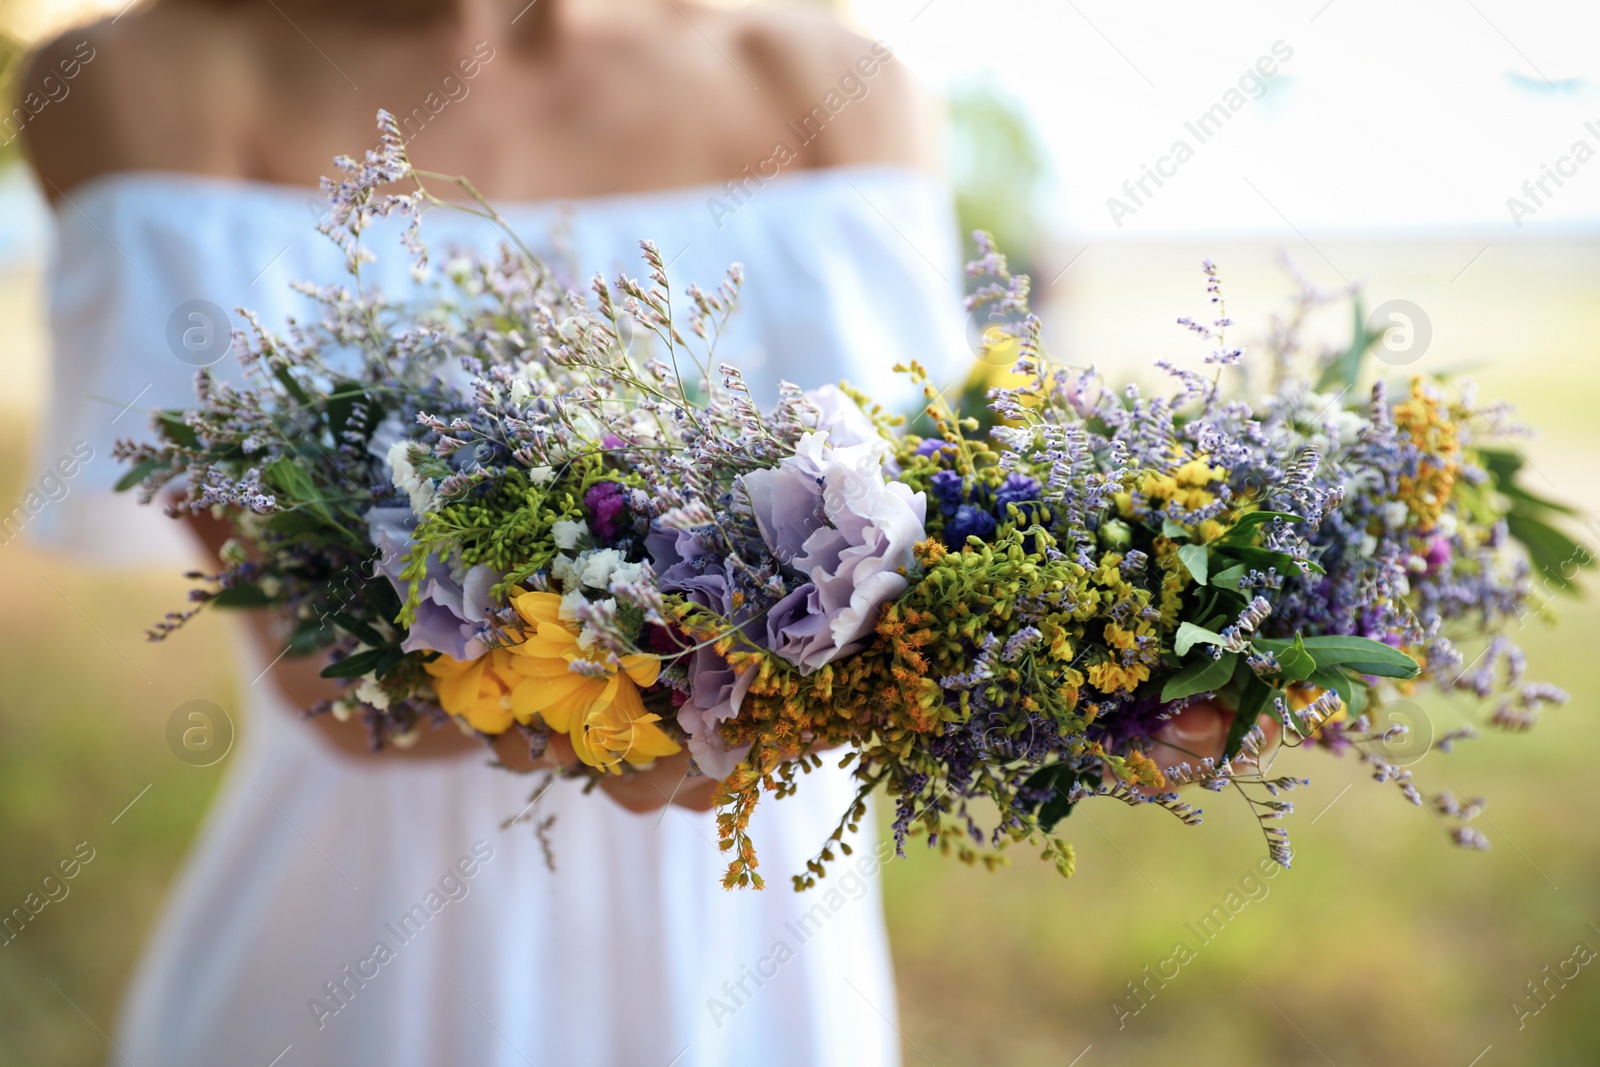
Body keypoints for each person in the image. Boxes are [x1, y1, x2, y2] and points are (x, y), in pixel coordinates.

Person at [21, 1, 1253, 1063]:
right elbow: (342, 687)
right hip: (368, 956)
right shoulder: (146, 81)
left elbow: (937, 528)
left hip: (761, 953)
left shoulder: (836, 84)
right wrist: (735, 692)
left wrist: (1113, 667)